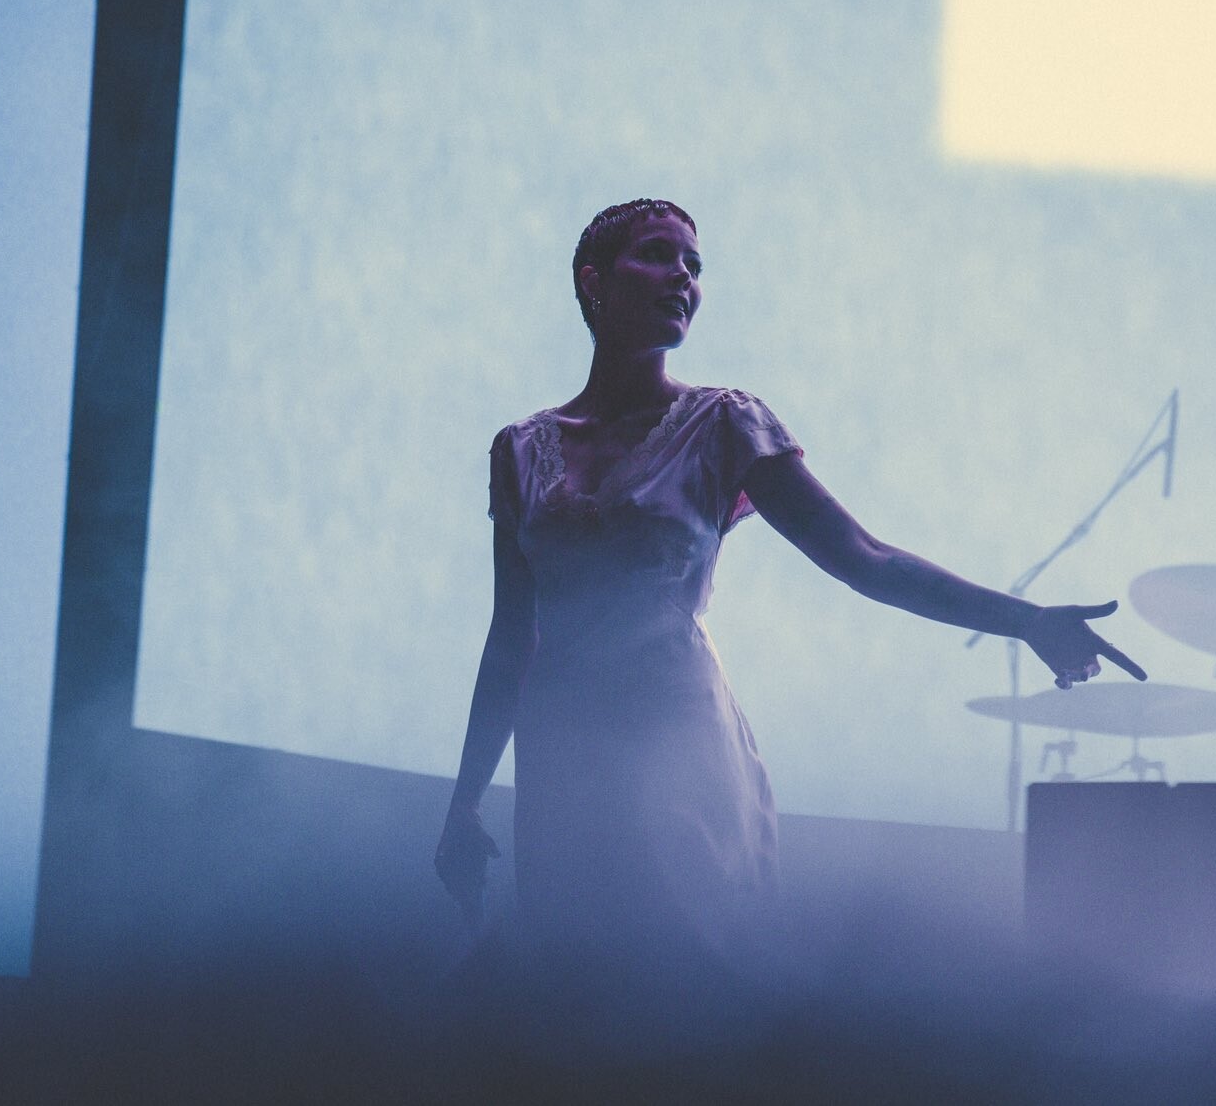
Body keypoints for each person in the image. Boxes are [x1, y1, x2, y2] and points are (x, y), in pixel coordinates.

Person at [433, 199, 1143, 1011]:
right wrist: (464, 801)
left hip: (674, 745)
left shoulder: (724, 424)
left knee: (684, 987)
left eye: (695, 266)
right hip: (563, 763)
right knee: (578, 1002)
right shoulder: (520, 449)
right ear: (595, 282)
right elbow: (510, 638)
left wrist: (1027, 621)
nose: (683, 278)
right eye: (659, 255)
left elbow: (865, 557)